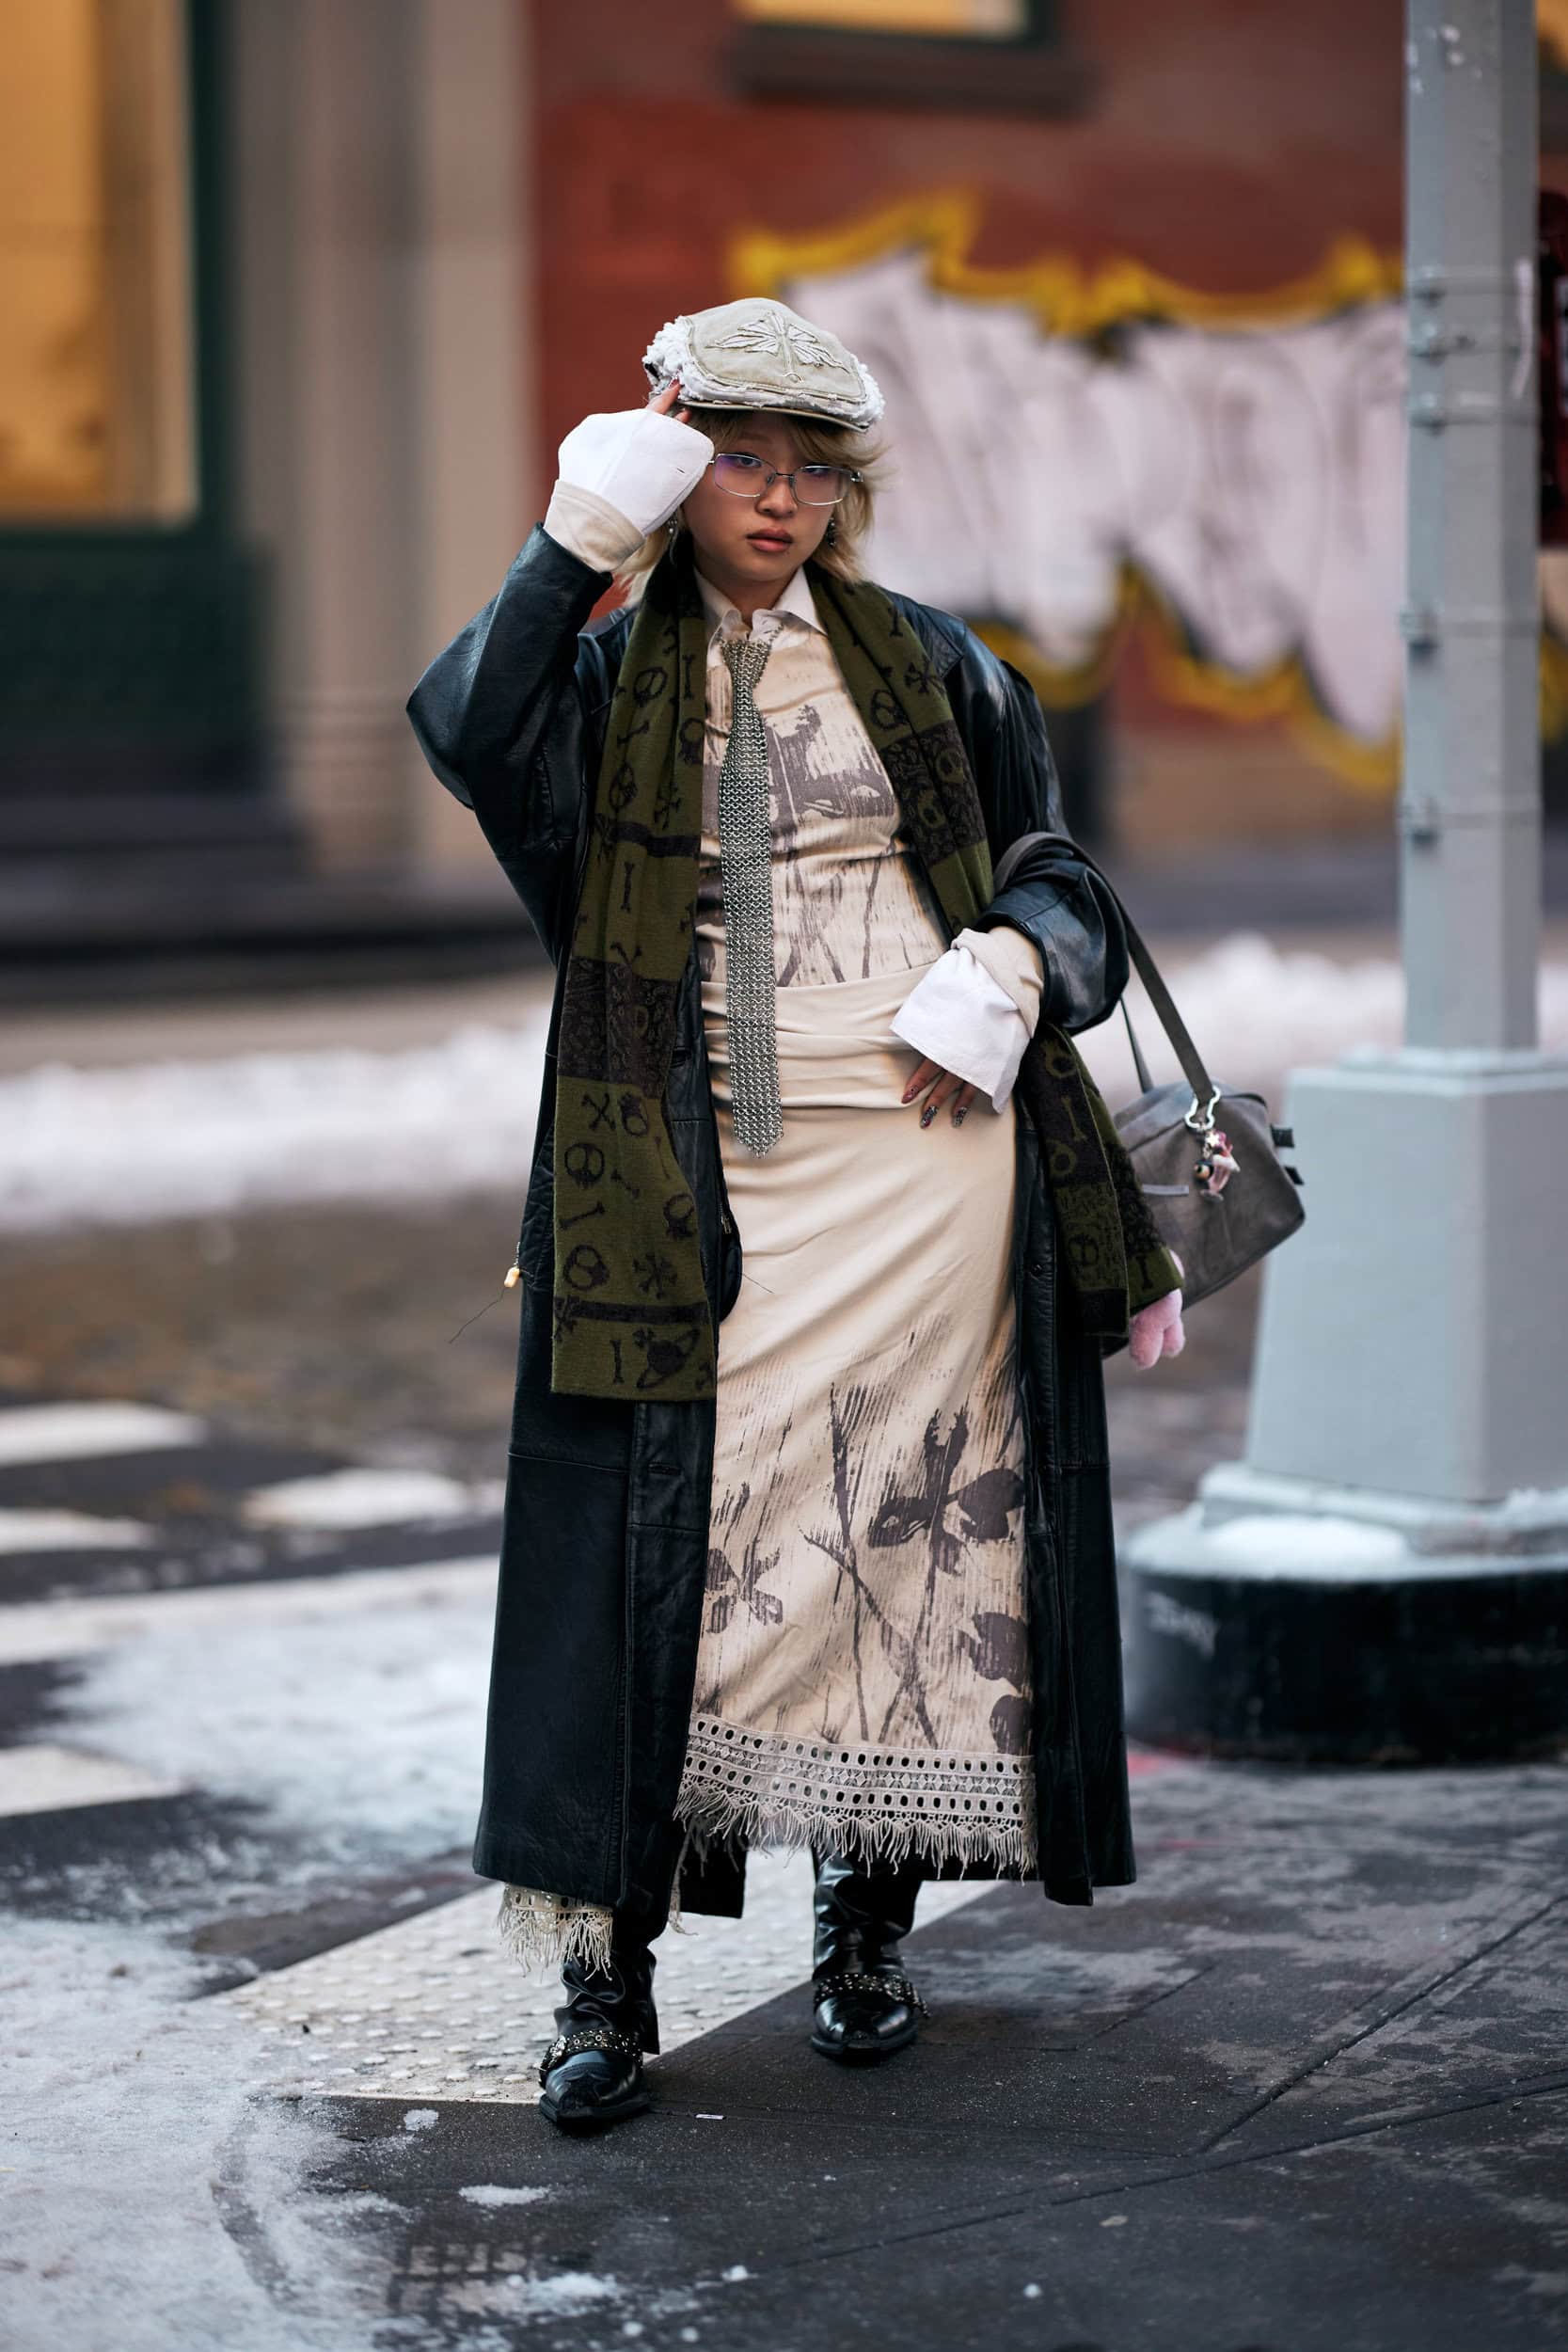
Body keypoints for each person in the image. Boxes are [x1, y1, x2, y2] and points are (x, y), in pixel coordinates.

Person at [407, 297, 1185, 2136]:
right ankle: (609, 1971)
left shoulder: (933, 661)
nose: (778, 502)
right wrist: (570, 544)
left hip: (932, 1169)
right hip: (680, 1167)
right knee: (658, 1563)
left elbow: (1056, 868)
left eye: (811, 469)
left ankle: (865, 1921)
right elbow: (466, 728)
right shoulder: (600, 677)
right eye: (741, 464)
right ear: (676, 474)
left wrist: (1009, 965)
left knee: (893, 1539)